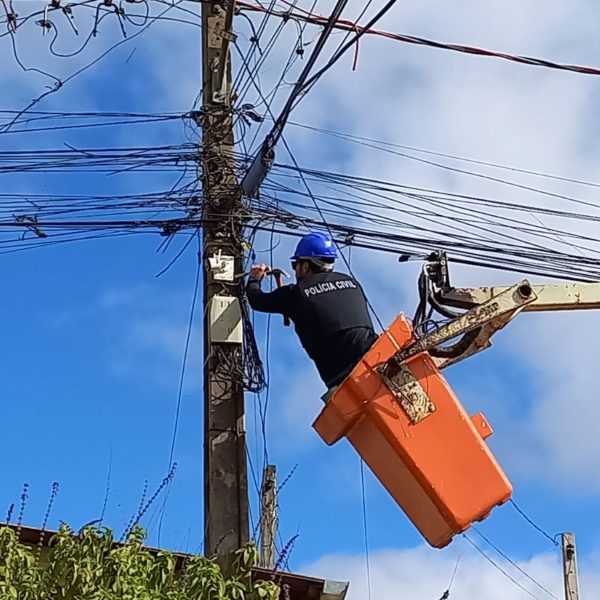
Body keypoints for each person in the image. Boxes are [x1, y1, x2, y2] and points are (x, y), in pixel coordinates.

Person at [246, 231, 378, 389]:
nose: (295, 270)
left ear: (306, 266)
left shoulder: (295, 293)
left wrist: (254, 278)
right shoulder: (352, 283)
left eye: (295, 265)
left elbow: (256, 300)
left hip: (342, 376)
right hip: (376, 356)